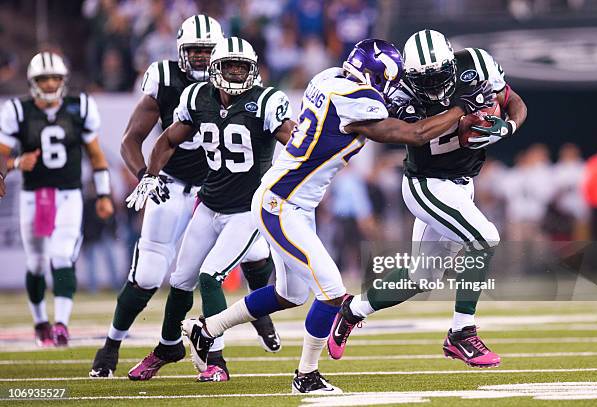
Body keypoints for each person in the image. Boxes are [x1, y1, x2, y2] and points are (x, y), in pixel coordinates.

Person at [180, 38, 495, 394]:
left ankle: (205, 330)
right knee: (331, 292)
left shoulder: (328, 77)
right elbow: (414, 134)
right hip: (281, 203)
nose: (390, 87)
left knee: (290, 294)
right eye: (388, 79)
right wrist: (460, 109)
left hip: (293, 200)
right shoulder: (360, 99)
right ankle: (306, 375)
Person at [90, 16, 280, 380]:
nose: (199, 57)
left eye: (207, 51)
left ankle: (252, 322)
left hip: (235, 195)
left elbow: (286, 136)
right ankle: (120, 344)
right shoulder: (180, 88)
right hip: (179, 187)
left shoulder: (257, 97)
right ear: (180, 50)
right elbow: (141, 139)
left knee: (251, 257)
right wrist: (147, 175)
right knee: (156, 275)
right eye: (193, 50)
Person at [328, 30, 528, 369]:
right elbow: (421, 132)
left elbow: (514, 102)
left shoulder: (476, 63)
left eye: (438, 74)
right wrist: (463, 108)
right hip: (427, 184)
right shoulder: (400, 91)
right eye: (425, 77)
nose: (433, 83)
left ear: (451, 63)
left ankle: (352, 311)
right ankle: (461, 334)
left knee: (422, 278)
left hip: (463, 184)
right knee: (485, 238)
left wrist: (506, 127)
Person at [0, 51, 114, 347]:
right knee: (37, 263)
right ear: (32, 81)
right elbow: (2, 154)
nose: (50, 84)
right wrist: (13, 165)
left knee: (62, 255)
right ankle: (40, 323)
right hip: (34, 197)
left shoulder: (80, 107)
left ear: (64, 80)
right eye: (43, 79)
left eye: (55, 78)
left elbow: (96, 155)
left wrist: (103, 193)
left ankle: (61, 323)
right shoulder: (17, 110)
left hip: (68, 195)